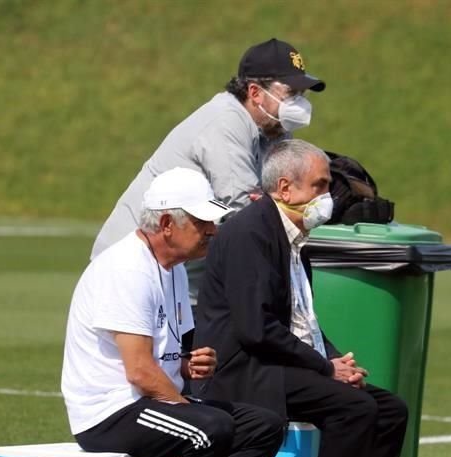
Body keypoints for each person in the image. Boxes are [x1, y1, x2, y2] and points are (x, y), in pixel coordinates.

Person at [61, 167, 286, 457]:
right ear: (167, 224)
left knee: (266, 426)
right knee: (211, 427)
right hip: (110, 412)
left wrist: (189, 365)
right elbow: (140, 371)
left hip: (146, 403)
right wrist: (192, 410)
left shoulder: (173, 268)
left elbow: (173, 353)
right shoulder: (127, 269)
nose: (211, 232)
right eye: (202, 223)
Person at [194, 140, 409, 457]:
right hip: (243, 370)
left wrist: (334, 360)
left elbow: (301, 318)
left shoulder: (293, 238)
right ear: (287, 187)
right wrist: (323, 367)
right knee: (353, 410)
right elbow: (257, 329)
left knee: (389, 409)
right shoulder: (251, 232)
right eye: (321, 185)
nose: (328, 197)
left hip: (277, 362)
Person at [90, 38, 326, 303]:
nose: (300, 104)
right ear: (255, 92)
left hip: (181, 275)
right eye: (291, 93)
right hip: (132, 265)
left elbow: (286, 193)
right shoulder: (226, 122)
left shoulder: (275, 129)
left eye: (302, 95)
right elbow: (242, 208)